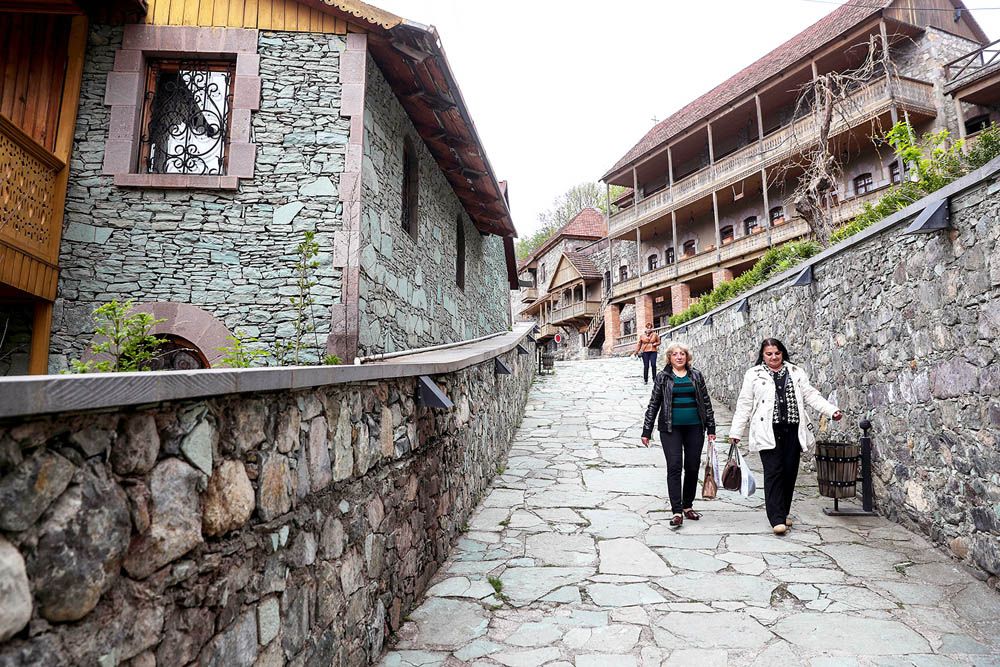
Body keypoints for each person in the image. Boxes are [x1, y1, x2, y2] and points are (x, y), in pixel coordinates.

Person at [729, 338, 843, 536]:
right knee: (773, 472)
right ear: (762, 356)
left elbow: (811, 396)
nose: (774, 357)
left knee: (789, 473)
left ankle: (783, 512)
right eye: (769, 354)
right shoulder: (753, 375)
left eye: (777, 353)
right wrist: (736, 432)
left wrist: (831, 411)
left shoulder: (796, 372)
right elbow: (745, 403)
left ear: (783, 353)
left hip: (792, 430)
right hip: (767, 430)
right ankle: (776, 519)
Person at [641, 341, 716, 527]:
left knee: (692, 467)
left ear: (687, 356)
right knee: (674, 466)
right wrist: (646, 430)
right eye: (675, 354)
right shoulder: (662, 377)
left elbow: (706, 402)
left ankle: (687, 506)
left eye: (682, 353)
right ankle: (676, 511)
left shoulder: (696, 376)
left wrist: (711, 428)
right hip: (670, 428)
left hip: (695, 427)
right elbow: (654, 404)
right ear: (669, 358)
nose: (679, 356)